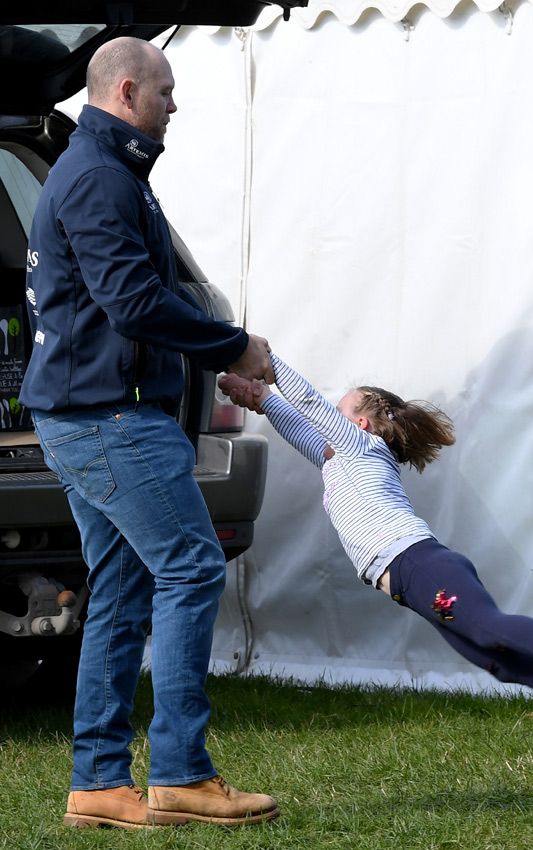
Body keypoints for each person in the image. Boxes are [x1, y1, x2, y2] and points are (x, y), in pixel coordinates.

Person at [19, 37, 279, 830]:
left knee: (126, 590)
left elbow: (142, 298)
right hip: (111, 421)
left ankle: (99, 784)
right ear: (128, 90)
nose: (175, 105)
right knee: (194, 569)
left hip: (95, 416)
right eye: (166, 91)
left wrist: (212, 360)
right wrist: (231, 344)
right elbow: (133, 303)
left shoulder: (103, 170)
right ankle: (179, 774)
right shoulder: (100, 177)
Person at [219, 355, 533, 767]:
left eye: (340, 410)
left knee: (485, 626)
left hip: (417, 561)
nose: (329, 416)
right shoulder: (338, 461)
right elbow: (300, 427)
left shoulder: (362, 446)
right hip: (411, 578)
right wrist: (262, 398)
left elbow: (308, 404)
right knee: (493, 659)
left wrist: (266, 360)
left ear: (360, 425)